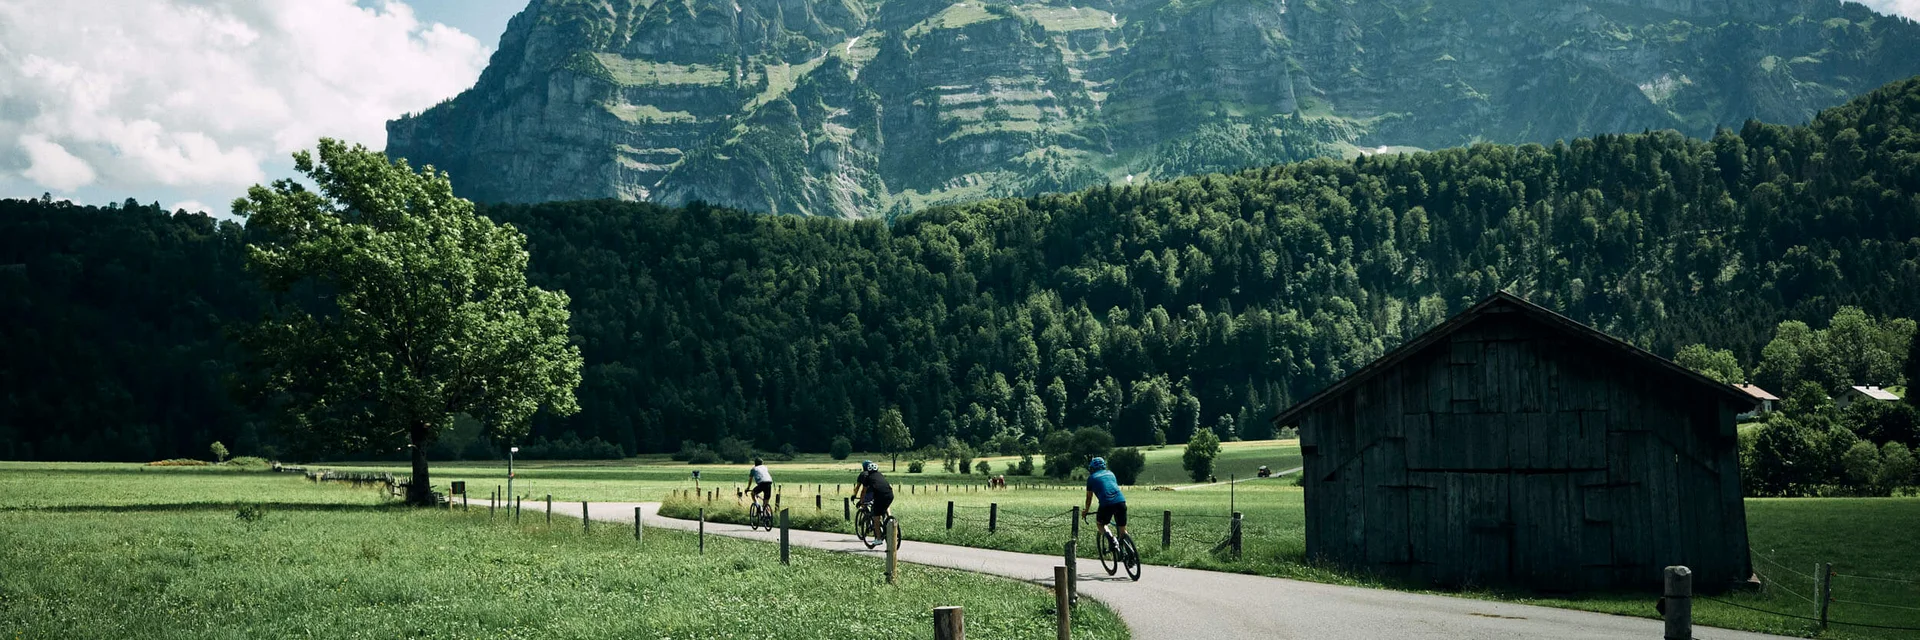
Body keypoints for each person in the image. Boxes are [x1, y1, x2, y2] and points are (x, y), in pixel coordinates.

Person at [1082, 456, 1127, 542]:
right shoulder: (1111, 473)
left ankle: (1112, 540)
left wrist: (1086, 510)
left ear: (1092, 468)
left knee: (1100, 524)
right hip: (1121, 501)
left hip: (1106, 504)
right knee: (1123, 531)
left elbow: (1089, 497)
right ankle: (1130, 551)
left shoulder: (1091, 478)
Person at [853, 460, 894, 540]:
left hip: (871, 494)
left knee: (875, 514)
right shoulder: (880, 475)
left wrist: (856, 497)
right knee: (885, 505)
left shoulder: (863, 475)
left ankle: (877, 536)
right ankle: (889, 517)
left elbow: (859, 488)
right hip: (887, 493)